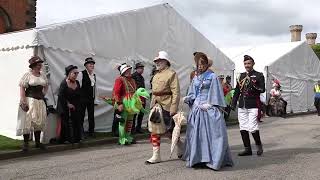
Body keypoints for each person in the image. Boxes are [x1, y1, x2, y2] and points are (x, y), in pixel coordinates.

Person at [183, 52, 233, 170]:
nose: (200, 66)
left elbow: (217, 91)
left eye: (203, 64)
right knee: (196, 134)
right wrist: (189, 98)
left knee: (214, 133)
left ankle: (213, 160)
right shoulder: (196, 77)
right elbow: (193, 92)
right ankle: (197, 159)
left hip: (208, 108)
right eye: (198, 64)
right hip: (197, 109)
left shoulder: (212, 76)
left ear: (207, 64)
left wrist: (210, 104)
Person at [145, 51, 181, 164]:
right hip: (156, 105)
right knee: (154, 130)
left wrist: (173, 108)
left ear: (166, 61)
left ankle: (181, 146)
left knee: (169, 132)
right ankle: (156, 155)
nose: (157, 62)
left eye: (160, 60)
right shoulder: (155, 75)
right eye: (156, 61)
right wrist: (152, 106)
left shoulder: (172, 74)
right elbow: (154, 92)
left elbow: (176, 92)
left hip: (167, 105)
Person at [231, 55, 265, 156]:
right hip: (242, 104)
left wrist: (254, 85)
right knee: (243, 127)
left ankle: (259, 146)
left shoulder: (259, 75)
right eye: (245, 64)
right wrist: (233, 103)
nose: (247, 65)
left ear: (253, 64)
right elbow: (237, 90)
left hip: (253, 104)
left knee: (253, 126)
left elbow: (262, 89)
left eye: (249, 63)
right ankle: (247, 149)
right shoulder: (241, 76)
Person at [17, 56, 48, 152]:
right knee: (28, 121)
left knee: (39, 121)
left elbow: (46, 85)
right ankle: (26, 143)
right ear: (33, 65)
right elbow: (22, 87)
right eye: (38, 65)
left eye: (40, 64)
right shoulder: (28, 75)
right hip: (30, 100)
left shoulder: (42, 75)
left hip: (40, 101)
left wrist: (43, 94)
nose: (40, 66)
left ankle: (37, 142)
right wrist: (23, 100)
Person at [112, 63, 137, 145]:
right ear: (123, 71)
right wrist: (119, 103)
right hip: (123, 104)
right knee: (123, 121)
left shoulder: (133, 80)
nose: (129, 71)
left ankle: (128, 136)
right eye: (127, 70)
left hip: (131, 105)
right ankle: (122, 138)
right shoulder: (119, 79)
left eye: (129, 70)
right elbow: (116, 92)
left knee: (130, 122)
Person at [56, 65, 82, 143]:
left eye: (77, 73)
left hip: (75, 105)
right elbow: (61, 96)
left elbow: (79, 94)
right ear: (69, 73)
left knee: (76, 120)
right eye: (75, 73)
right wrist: (68, 104)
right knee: (66, 122)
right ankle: (66, 139)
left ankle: (76, 138)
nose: (76, 75)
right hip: (64, 106)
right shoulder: (64, 83)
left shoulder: (77, 82)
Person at [78, 57, 97, 137]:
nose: (91, 65)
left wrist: (95, 99)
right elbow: (78, 87)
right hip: (82, 98)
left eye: (92, 64)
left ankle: (91, 131)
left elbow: (94, 88)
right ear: (85, 65)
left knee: (91, 116)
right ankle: (80, 132)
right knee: (81, 115)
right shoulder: (81, 74)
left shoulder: (94, 75)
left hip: (90, 98)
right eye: (90, 64)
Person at [131, 62, 146, 134]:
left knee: (141, 113)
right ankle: (132, 128)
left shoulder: (141, 77)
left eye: (142, 68)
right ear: (136, 69)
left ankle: (138, 128)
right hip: (136, 97)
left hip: (142, 97)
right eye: (140, 68)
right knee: (134, 114)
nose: (142, 69)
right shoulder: (133, 76)